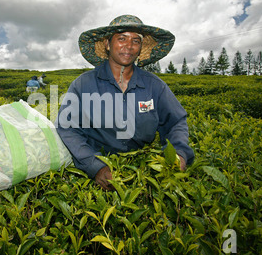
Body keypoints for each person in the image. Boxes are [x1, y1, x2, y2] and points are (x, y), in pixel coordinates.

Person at [56, 14, 194, 191]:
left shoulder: (154, 86)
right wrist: (94, 165)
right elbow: (67, 127)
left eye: (136, 41)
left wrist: (179, 153)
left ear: (140, 47)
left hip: (141, 170)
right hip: (95, 175)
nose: (129, 46)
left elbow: (176, 122)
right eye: (121, 39)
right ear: (107, 44)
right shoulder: (83, 85)